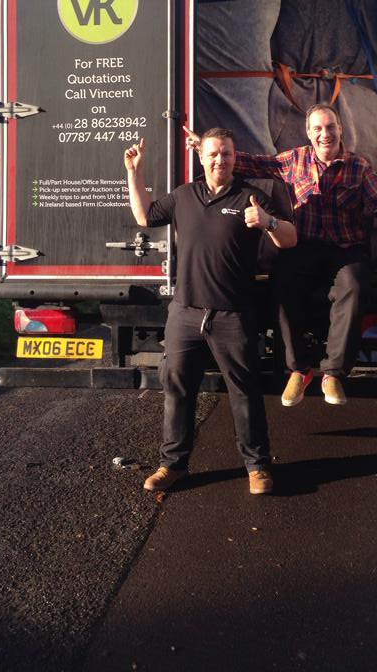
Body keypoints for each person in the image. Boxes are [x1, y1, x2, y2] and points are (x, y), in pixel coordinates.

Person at [184, 105, 377, 408]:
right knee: (281, 283)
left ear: (341, 129)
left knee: (356, 285)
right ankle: (299, 369)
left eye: (330, 127)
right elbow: (255, 164)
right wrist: (206, 149)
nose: (325, 134)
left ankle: (333, 374)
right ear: (309, 133)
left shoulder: (358, 166)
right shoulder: (294, 160)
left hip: (346, 247)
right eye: (318, 129)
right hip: (305, 245)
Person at [125, 127, 296, 495]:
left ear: (236, 158)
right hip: (185, 313)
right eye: (214, 154)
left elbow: (290, 238)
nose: (220, 160)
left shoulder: (251, 197)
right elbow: (145, 216)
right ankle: (172, 465)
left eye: (227, 154)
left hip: (234, 315)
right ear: (200, 158)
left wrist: (268, 223)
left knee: (244, 392)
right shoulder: (184, 196)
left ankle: (257, 466)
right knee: (177, 390)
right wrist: (134, 174)